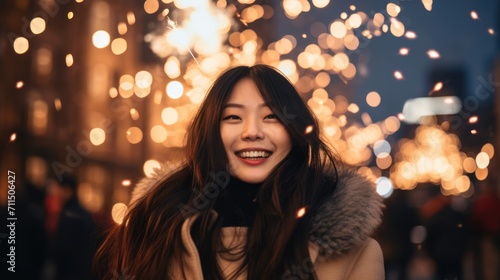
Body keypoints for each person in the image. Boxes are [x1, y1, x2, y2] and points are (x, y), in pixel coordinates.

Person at [94, 64, 384, 279]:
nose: (252, 132)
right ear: (210, 132)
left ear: (294, 130)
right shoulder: (153, 231)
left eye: (271, 116)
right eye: (233, 117)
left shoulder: (356, 253)